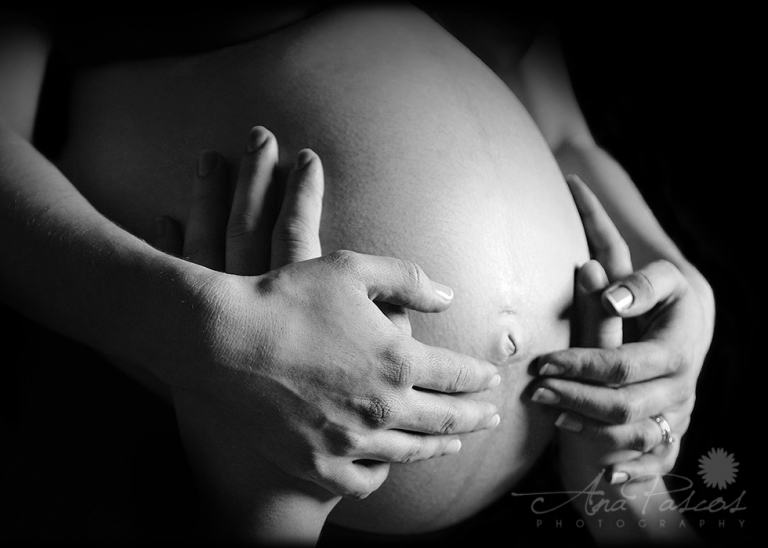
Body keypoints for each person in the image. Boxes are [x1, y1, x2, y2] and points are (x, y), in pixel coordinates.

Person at [0, 4, 714, 545]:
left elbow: (562, 131)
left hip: (591, 480)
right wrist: (199, 331)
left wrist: (674, 274)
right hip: (213, 453)